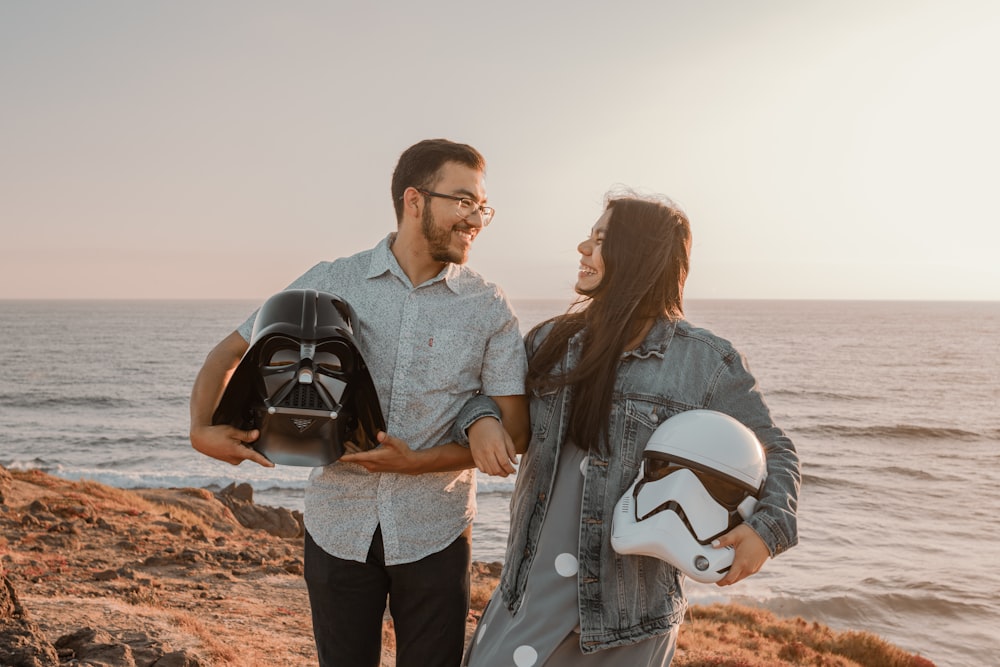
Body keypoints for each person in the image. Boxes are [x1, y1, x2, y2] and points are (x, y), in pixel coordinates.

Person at [189, 138, 530, 667]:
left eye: (481, 206)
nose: (476, 218)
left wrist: (429, 456)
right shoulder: (331, 279)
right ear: (414, 201)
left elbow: (518, 431)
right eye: (463, 201)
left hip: (435, 531)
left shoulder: (488, 305)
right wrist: (201, 431)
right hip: (337, 527)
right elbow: (227, 354)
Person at [462, 192, 800, 666]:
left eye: (601, 239)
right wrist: (480, 420)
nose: (583, 247)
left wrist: (766, 531)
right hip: (526, 601)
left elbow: (775, 451)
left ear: (637, 254)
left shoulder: (705, 362)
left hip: (628, 624)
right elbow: (490, 399)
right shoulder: (550, 341)